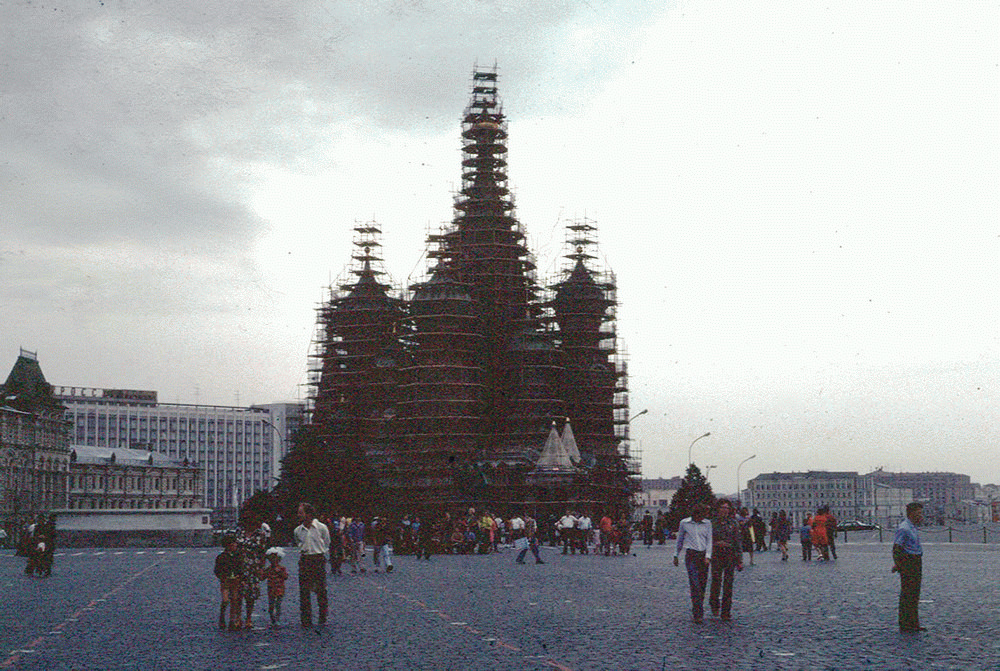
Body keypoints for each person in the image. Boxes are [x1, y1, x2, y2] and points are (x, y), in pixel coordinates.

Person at [673, 503, 712, 623]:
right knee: (694, 583)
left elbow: (709, 540)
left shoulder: (707, 524)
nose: (703, 518)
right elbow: (680, 539)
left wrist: (708, 556)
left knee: (702, 584)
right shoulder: (684, 523)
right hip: (691, 555)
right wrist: (676, 554)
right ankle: (697, 612)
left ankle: (698, 606)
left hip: (703, 555)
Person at [293, 502, 331, 628]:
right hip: (305, 560)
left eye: (300, 512)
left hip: (318, 558)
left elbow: (326, 542)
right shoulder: (297, 530)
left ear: (308, 514)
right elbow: (298, 542)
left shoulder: (321, 527)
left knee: (321, 589)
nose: (298, 515)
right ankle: (306, 618)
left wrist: (320, 551)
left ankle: (322, 615)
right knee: (304, 591)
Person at [892, 502, 925, 632]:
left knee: (914, 594)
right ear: (912, 513)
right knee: (908, 594)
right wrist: (899, 565)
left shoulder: (912, 527)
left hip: (916, 561)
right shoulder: (904, 528)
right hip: (909, 562)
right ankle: (906, 624)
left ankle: (913, 623)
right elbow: (896, 548)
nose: (921, 516)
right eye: (919, 513)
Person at [709, 499, 743, 621]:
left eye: (727, 508)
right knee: (716, 582)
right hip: (716, 554)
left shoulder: (733, 523)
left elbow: (737, 541)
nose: (724, 510)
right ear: (718, 509)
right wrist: (716, 544)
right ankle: (714, 604)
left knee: (728, 584)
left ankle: (726, 611)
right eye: (722, 507)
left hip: (730, 555)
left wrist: (739, 560)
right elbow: (707, 540)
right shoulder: (712, 523)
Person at [214, 535, 243, 630]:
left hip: (235, 580)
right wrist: (222, 577)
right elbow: (217, 570)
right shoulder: (221, 557)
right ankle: (222, 617)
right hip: (226, 580)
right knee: (225, 600)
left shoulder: (238, 556)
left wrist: (239, 575)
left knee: (234, 600)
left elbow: (241, 567)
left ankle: (232, 620)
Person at [262, 547, 288, 626]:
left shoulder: (282, 568)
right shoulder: (268, 569)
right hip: (271, 589)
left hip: (279, 588)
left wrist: (279, 571)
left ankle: (277, 619)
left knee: (278, 604)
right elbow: (262, 577)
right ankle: (273, 619)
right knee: (271, 605)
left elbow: (285, 577)